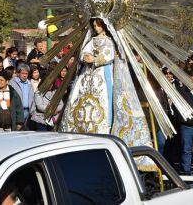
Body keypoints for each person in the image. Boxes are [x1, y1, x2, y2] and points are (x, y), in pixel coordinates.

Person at [60, 18, 152, 149]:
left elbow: (109, 55)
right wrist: (86, 56)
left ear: (104, 25)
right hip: (87, 75)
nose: (96, 27)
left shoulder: (109, 41)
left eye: (98, 25)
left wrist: (96, 59)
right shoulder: (91, 40)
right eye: (94, 25)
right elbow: (83, 52)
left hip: (103, 74)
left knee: (103, 100)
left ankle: (103, 128)